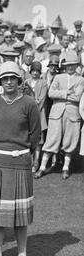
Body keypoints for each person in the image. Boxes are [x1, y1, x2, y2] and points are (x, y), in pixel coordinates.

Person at [0, 61, 41, 256]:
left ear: (18, 80)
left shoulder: (29, 104)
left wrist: (22, 153)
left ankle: (21, 255)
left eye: (12, 78)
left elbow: (35, 135)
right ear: (0, 81)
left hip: (20, 162)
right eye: (5, 78)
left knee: (20, 214)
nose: (9, 82)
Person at [35, 52, 84, 180]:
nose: (70, 67)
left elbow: (78, 96)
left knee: (70, 141)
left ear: (77, 65)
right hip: (56, 113)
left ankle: (66, 168)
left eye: (73, 65)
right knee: (51, 140)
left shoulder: (80, 79)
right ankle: (42, 167)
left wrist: (60, 94)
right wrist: (67, 92)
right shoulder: (58, 77)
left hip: (72, 114)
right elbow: (51, 93)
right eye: (67, 65)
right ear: (64, 66)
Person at [24, 61, 48, 173]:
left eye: (37, 71)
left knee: (38, 141)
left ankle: (36, 162)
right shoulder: (26, 82)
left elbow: (41, 100)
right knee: (27, 139)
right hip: (26, 115)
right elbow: (23, 98)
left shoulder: (43, 83)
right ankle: (28, 162)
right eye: (33, 71)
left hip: (39, 115)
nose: (35, 73)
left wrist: (34, 102)